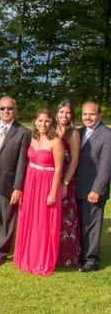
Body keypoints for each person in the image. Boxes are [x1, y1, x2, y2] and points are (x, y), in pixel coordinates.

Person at [0, 96, 30, 265]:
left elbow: (23, 162)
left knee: (6, 217)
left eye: (10, 108)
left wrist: (18, 187)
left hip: (8, 181)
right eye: (2, 108)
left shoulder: (23, 132)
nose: (6, 111)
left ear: (15, 110)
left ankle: (1, 252)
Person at [13, 109, 64, 276]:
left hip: (46, 184)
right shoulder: (33, 137)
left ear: (52, 122)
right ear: (35, 121)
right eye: (40, 121)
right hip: (31, 182)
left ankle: (40, 259)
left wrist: (53, 193)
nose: (43, 124)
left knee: (43, 222)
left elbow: (58, 170)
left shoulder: (56, 141)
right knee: (30, 218)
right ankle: (26, 256)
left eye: (47, 121)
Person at [76, 101, 111, 272]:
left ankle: (91, 260)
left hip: (93, 190)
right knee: (81, 224)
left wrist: (97, 189)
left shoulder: (107, 135)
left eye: (91, 114)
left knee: (93, 225)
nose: (87, 117)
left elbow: (106, 166)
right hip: (77, 187)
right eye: (84, 114)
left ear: (99, 115)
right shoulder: (79, 132)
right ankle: (80, 255)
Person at [56, 100, 81, 268]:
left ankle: (66, 256)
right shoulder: (51, 129)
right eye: (62, 112)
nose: (65, 115)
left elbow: (74, 160)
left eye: (68, 112)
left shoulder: (73, 134)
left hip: (66, 179)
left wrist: (65, 183)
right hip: (50, 178)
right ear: (56, 113)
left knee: (66, 218)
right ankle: (51, 253)